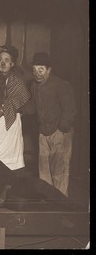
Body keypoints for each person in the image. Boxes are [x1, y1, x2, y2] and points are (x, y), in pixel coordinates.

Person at [0, 136, 79, 211]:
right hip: (6, 198)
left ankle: (74, 207)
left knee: (40, 185)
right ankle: (61, 212)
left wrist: (3, 193)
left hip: (15, 186)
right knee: (27, 205)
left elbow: (11, 178)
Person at [30, 52, 76, 196]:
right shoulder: (34, 85)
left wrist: (62, 129)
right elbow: (33, 106)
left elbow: (70, 110)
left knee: (59, 171)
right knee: (44, 170)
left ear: (49, 70)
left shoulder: (61, 85)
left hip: (59, 133)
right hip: (43, 132)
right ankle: (48, 199)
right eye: (35, 70)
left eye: (41, 70)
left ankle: (61, 200)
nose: (37, 74)